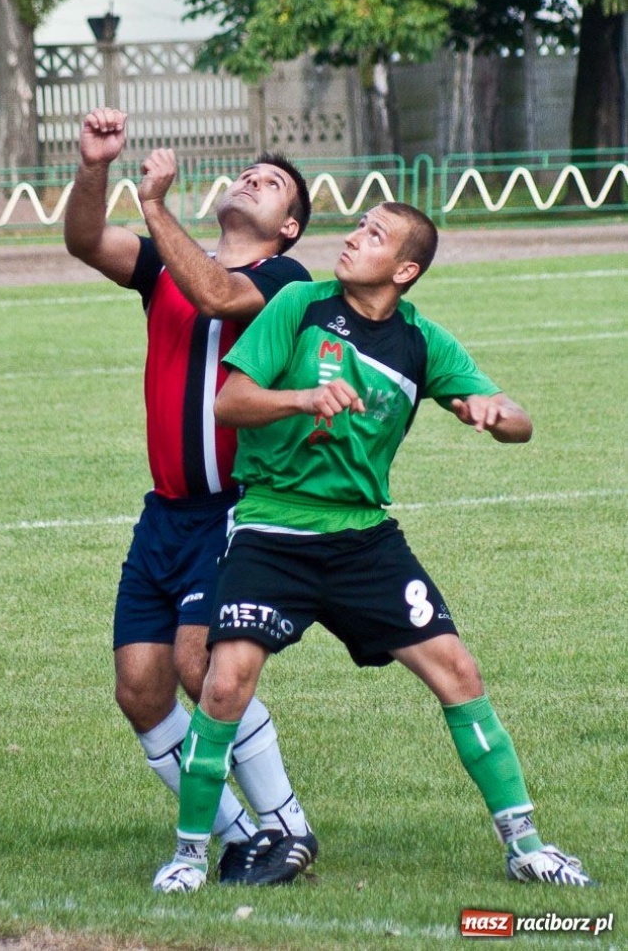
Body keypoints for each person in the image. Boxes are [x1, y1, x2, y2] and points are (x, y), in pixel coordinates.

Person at [166, 200, 595, 891]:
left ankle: (526, 846)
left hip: (364, 539)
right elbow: (231, 402)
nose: (353, 238)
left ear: (403, 270)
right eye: (358, 227)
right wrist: (302, 399)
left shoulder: (422, 342)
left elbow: (520, 422)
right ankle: (187, 858)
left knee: (458, 673)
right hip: (272, 527)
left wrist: (496, 413)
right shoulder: (300, 305)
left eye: (373, 235)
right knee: (223, 685)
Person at [63, 106, 318, 890]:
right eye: (248, 173)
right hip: (165, 513)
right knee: (139, 688)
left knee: (197, 659)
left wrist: (153, 204)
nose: (250, 179)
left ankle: (286, 826)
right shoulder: (168, 265)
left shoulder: (285, 281)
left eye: (270, 183)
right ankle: (241, 836)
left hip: (238, 508)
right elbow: (84, 239)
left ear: (289, 228)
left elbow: (215, 295)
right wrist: (96, 166)